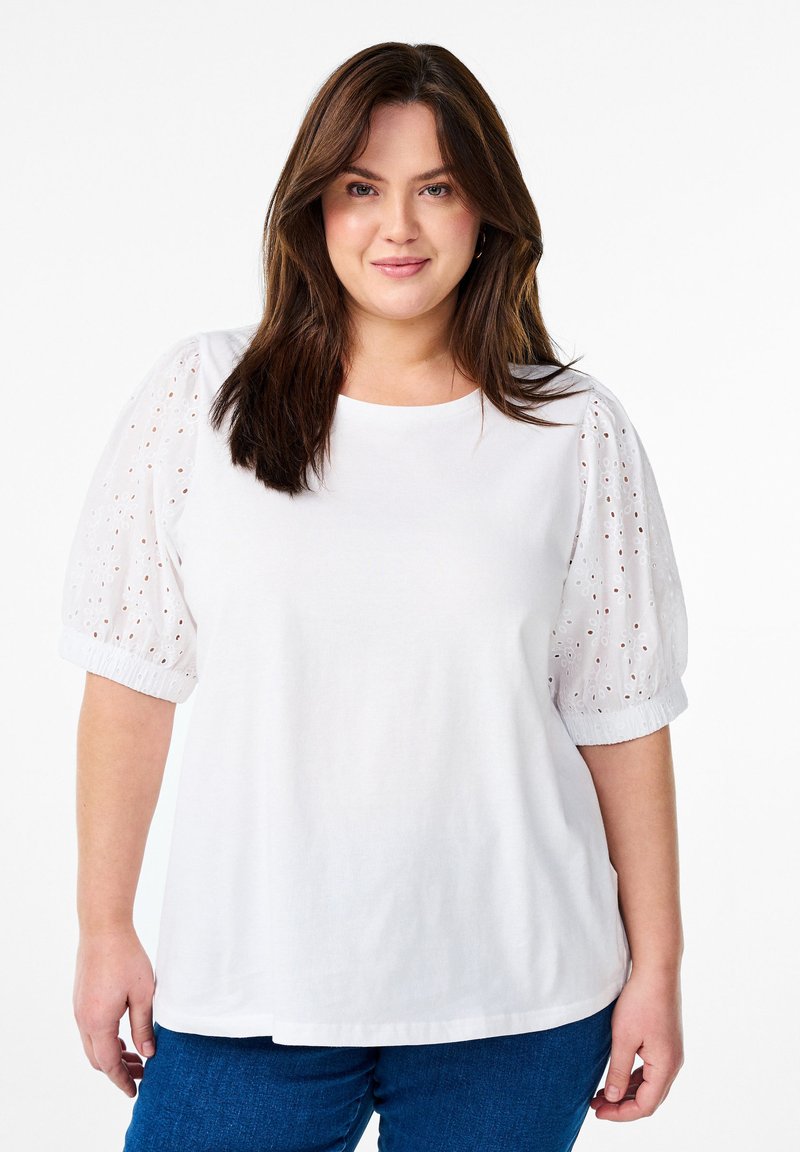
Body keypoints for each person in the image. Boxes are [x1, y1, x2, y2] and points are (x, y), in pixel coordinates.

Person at [58, 41, 689, 1152]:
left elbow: (620, 714)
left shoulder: (571, 427)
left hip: (519, 996)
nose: (397, 227)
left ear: (486, 210)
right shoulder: (202, 399)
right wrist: (103, 926)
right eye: (361, 188)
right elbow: (129, 684)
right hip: (251, 985)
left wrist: (658, 970)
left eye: (436, 189)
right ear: (314, 208)